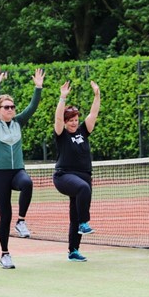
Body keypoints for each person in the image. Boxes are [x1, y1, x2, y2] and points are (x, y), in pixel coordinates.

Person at [0, 65, 44, 269]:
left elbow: (32, 107)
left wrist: (38, 88)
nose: (10, 110)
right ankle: (5, 254)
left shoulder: (19, 122)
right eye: (6, 107)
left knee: (27, 183)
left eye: (12, 107)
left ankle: (21, 221)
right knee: (5, 215)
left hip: (17, 171)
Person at [53, 80, 100, 262]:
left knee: (75, 214)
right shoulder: (61, 134)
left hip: (84, 177)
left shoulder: (83, 131)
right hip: (63, 176)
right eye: (71, 121)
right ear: (65, 122)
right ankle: (84, 222)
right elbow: (57, 118)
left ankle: (73, 250)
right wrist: (62, 98)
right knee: (83, 190)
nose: (74, 123)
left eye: (75, 120)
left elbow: (94, 113)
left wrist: (97, 95)